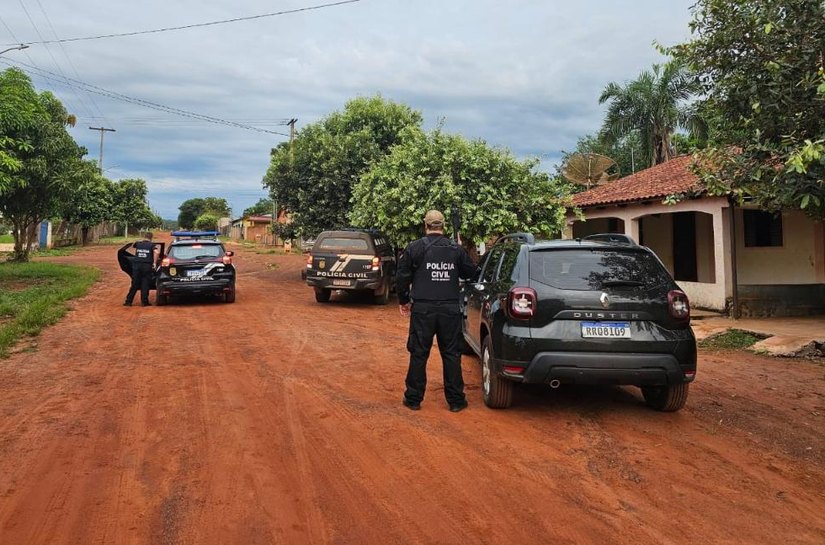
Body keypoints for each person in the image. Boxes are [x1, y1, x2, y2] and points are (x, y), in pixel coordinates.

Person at [397, 210, 479, 412]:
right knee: (451, 354)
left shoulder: (414, 248)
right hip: (450, 310)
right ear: (443, 226)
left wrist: (404, 301)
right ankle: (456, 401)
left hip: (423, 310)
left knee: (418, 353)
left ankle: (413, 399)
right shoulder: (455, 250)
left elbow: (402, 276)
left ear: (425, 226)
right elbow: (472, 273)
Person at [124, 232, 160, 307]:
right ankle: (144, 302)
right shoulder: (152, 245)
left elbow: (133, 245)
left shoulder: (138, 244)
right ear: (151, 238)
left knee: (134, 284)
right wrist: (154, 263)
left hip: (137, 266)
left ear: (144, 237)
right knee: (145, 284)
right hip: (147, 266)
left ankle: (128, 301)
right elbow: (157, 252)